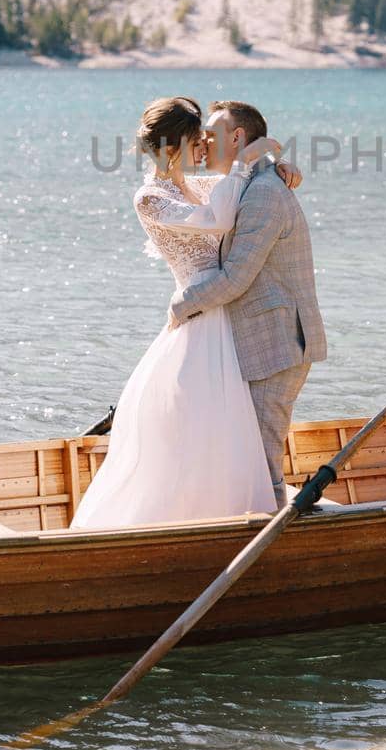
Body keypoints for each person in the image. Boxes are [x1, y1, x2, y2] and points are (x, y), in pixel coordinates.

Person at [69, 95, 298, 531]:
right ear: (173, 145)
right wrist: (249, 158)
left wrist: (279, 168)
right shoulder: (150, 197)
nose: (204, 148)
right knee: (194, 425)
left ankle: (234, 517)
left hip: (225, 315)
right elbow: (217, 220)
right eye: (198, 140)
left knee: (228, 428)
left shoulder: (203, 184)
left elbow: (245, 193)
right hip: (197, 316)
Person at [168, 100, 327, 508]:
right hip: (256, 342)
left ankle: (273, 545)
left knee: (260, 462)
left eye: (212, 134)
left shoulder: (263, 193)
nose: (203, 141)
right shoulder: (248, 184)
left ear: (238, 137)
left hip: (275, 344)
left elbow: (237, 277)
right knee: (244, 456)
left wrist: (182, 305)